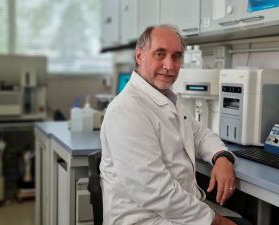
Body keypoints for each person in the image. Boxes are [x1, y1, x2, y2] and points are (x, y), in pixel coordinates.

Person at [100, 25, 252, 225]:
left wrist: (221, 157)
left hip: (175, 211)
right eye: (160, 54)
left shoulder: (167, 99)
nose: (169, 65)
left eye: (176, 56)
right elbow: (156, 192)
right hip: (146, 218)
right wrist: (217, 221)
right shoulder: (127, 110)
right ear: (139, 56)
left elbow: (199, 135)